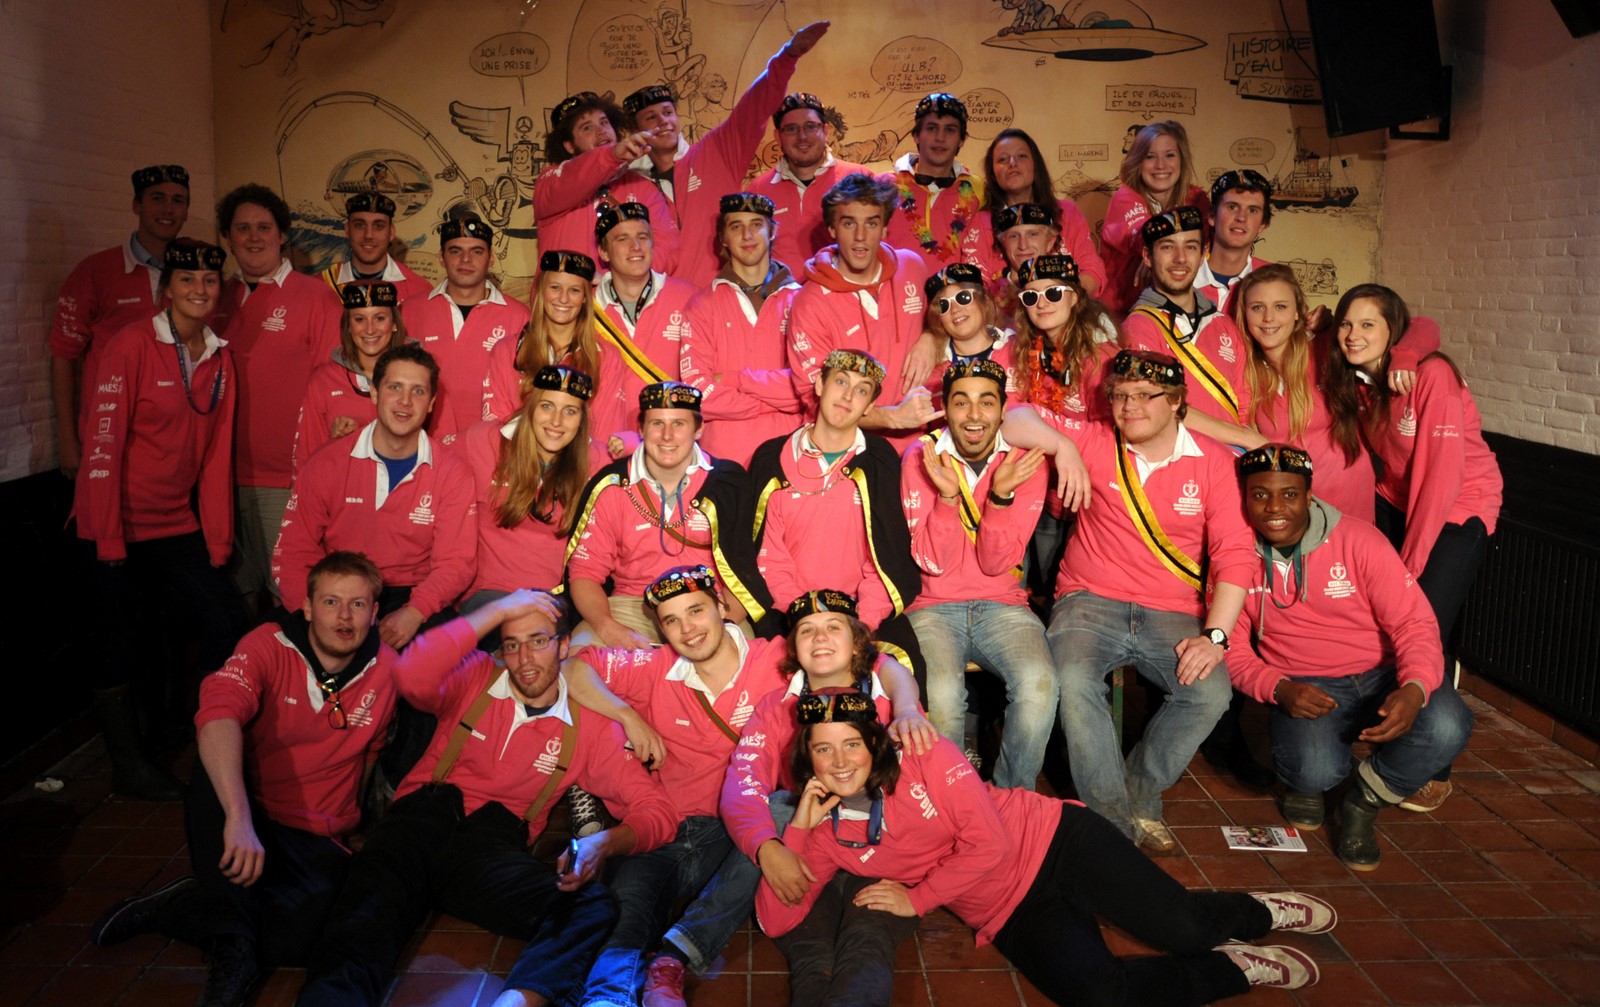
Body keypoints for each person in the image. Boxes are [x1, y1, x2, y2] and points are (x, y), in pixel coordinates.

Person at [756, 692, 1335, 1004]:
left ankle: (1257, 912)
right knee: (1100, 998)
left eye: (851, 744)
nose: (840, 762)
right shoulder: (826, 836)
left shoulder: (924, 753)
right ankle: (1233, 968)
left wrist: (918, 899)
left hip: (1057, 842)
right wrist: (797, 833)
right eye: (823, 750)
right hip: (1008, 910)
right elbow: (777, 919)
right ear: (807, 759)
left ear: (874, 744)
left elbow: (989, 843)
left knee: (1183, 927)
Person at [293, 591, 680, 1007]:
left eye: (538, 641)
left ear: (564, 646)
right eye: (512, 644)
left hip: (488, 851)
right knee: (356, 925)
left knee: (591, 906)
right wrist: (499, 608)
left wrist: (603, 843)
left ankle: (515, 1002)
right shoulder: (477, 675)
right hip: (418, 824)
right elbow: (411, 674)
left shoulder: (591, 725)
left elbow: (657, 812)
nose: (524, 659)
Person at [89, 552, 398, 1007]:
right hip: (250, 812)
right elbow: (217, 712)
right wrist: (238, 817)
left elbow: (369, 751)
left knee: (298, 942)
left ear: (374, 613)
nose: (344, 617)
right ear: (307, 607)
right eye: (331, 602)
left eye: (357, 604)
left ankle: (185, 904)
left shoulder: (387, 667)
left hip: (315, 828)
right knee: (212, 768)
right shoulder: (268, 644)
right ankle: (233, 956)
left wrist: (353, 820)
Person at [1003, 350, 1254, 849]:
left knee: (1210, 694)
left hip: (1173, 609)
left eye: (1144, 395)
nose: (1128, 406)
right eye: (1119, 395)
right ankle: (1112, 822)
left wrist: (1215, 637)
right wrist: (1063, 447)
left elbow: (1236, 556)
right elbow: (1014, 416)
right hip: (1089, 599)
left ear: (1176, 402)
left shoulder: (1215, 462)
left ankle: (1139, 789)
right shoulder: (1097, 439)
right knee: (1073, 679)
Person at [561, 566, 802, 1007]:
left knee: (782, 810)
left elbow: (867, 657)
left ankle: (673, 959)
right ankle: (607, 998)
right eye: (671, 620)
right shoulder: (656, 666)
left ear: (721, 606)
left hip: (740, 830)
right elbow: (576, 667)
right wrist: (627, 716)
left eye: (696, 611)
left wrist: (906, 707)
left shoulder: (775, 658)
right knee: (626, 911)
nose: (687, 629)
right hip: (671, 827)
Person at [1228, 445, 1473, 869]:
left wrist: (1414, 687)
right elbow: (1228, 646)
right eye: (1260, 494)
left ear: (1309, 496)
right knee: (1314, 771)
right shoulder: (1233, 554)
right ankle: (1308, 782)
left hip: (1383, 674)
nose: (1274, 508)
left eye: (1289, 494)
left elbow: (1414, 623)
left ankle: (1364, 800)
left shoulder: (1360, 540)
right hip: (1306, 684)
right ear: (1245, 498)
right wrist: (1278, 688)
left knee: (1448, 724)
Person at [73, 238, 247, 799]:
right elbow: (102, 445)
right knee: (120, 643)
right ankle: (129, 765)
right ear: (166, 288)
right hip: (114, 524)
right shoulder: (131, 344)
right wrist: (108, 539)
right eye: (187, 280)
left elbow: (216, 457)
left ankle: (199, 730)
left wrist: (217, 539)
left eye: (210, 281)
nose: (200, 289)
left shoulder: (220, 356)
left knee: (225, 621)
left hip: (176, 522)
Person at [1325, 284, 1502, 813]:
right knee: (1386, 618)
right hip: (1396, 500)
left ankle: (1434, 766)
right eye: (1346, 324)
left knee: (1423, 621)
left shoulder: (1432, 376)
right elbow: (1423, 324)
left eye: (1368, 325)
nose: (1353, 335)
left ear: (1392, 333)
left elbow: (1438, 483)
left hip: (1457, 510)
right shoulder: (1364, 381)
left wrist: (1410, 564)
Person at [719, 590, 935, 922]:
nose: (820, 637)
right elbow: (742, 782)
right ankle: (690, 941)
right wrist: (765, 847)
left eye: (833, 627)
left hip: (884, 832)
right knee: (776, 808)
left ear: (857, 643)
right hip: (813, 830)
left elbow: (891, 670)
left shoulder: (890, 697)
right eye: (807, 630)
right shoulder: (776, 706)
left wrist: (906, 708)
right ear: (794, 648)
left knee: (864, 936)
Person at [901, 359, 1055, 788]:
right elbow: (933, 562)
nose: (974, 415)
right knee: (943, 697)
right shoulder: (921, 456)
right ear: (945, 408)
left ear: (1003, 409)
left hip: (1003, 605)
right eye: (961, 402)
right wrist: (948, 500)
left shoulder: (1025, 462)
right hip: (932, 607)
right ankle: (952, 803)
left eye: (986, 402)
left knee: (1040, 684)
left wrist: (1001, 497)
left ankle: (1011, 798)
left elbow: (995, 564)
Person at [273, 342, 475, 650]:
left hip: (411, 593)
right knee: (269, 645)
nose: (405, 401)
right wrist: (319, 614)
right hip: (339, 589)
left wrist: (415, 612)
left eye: (418, 391)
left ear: (431, 403)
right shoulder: (328, 463)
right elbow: (292, 553)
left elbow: (456, 563)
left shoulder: (452, 472)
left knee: (450, 656)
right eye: (395, 387)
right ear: (375, 393)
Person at [750, 349, 923, 674]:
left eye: (861, 390)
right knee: (772, 678)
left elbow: (885, 559)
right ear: (819, 384)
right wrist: (808, 619)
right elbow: (770, 562)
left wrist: (861, 623)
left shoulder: (879, 461)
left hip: (862, 613)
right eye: (841, 382)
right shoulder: (771, 458)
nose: (847, 396)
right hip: (790, 613)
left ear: (870, 406)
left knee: (907, 672)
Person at [211, 183, 344, 604]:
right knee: (236, 595)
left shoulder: (316, 298)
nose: (253, 237)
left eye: (264, 227)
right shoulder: (213, 297)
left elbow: (333, 388)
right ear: (227, 237)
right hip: (219, 477)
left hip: (285, 479)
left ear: (282, 234)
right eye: (242, 228)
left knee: (290, 596)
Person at [622, 21, 829, 285]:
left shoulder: (715, 152)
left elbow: (754, 108)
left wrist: (787, 57)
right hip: (665, 301)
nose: (663, 121)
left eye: (668, 112)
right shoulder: (633, 186)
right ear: (635, 129)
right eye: (651, 117)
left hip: (724, 295)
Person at [566, 382, 767, 648]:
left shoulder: (729, 483)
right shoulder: (611, 484)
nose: (667, 436)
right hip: (633, 607)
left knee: (743, 655)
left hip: (707, 605)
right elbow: (584, 572)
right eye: (657, 423)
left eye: (679, 424)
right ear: (640, 429)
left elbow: (746, 571)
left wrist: (721, 623)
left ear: (699, 429)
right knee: (581, 655)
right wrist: (608, 627)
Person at [51, 163, 190, 479]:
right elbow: (62, 355)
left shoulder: (197, 275)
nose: (168, 209)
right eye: (157, 198)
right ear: (136, 205)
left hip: (176, 444)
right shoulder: (95, 271)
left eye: (178, 200)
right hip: (109, 439)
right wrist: (66, 436)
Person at [786, 173, 938, 454]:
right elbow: (816, 399)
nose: (860, 236)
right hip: (849, 452)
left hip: (921, 447)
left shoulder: (912, 267)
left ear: (885, 228)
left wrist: (932, 335)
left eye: (871, 223)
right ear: (832, 229)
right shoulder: (809, 303)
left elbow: (948, 320)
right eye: (849, 223)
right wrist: (893, 417)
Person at [1008, 254, 1119, 604]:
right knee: (1037, 593)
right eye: (1031, 296)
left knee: (1068, 596)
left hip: (1087, 500)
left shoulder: (1101, 358)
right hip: (1038, 495)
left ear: (1075, 297)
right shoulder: (1023, 351)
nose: (1042, 304)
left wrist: (1064, 445)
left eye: (1053, 293)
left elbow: (1110, 439)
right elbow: (1007, 416)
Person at [1121, 206, 1263, 450]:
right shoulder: (1138, 326)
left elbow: (1243, 410)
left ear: (1203, 253)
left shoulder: (1224, 324)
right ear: (1148, 256)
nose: (1180, 258)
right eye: (1167, 247)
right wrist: (1246, 439)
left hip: (1232, 460)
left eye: (1190, 247)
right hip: (1177, 463)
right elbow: (1159, 406)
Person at [680, 192, 806, 466]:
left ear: (772, 231)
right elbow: (697, 393)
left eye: (756, 225)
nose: (747, 235)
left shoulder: (804, 301)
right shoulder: (701, 305)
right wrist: (772, 402)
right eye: (736, 226)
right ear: (723, 238)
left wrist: (735, 379)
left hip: (790, 458)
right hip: (722, 462)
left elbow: (807, 386)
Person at [460, 366, 593, 611]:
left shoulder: (594, 461)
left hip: (553, 602)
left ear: (581, 420)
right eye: (547, 406)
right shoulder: (483, 441)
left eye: (570, 411)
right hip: (487, 597)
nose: (556, 421)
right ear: (530, 406)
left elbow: (652, 463)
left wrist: (631, 443)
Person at [400, 213, 531, 434]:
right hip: (424, 444)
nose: (466, 259)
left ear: (490, 258)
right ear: (441, 257)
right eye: (455, 251)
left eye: (476, 251)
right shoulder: (410, 311)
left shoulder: (519, 317)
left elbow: (528, 392)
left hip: (492, 444)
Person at [588, 202, 700, 454]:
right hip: (600, 449)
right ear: (603, 252)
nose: (636, 247)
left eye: (643, 237)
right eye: (622, 239)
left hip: (669, 448)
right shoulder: (583, 307)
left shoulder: (690, 298)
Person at [532, 90, 679, 271]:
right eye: (587, 127)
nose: (601, 131)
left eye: (604, 122)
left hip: (627, 289)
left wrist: (616, 283)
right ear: (569, 146)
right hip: (565, 290)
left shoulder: (642, 186)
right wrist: (612, 156)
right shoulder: (550, 182)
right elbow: (574, 178)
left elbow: (667, 250)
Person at [481, 250, 610, 439]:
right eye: (555, 287)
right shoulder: (506, 351)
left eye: (574, 290)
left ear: (585, 297)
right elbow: (495, 428)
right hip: (516, 456)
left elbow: (603, 434)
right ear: (541, 290)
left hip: (581, 458)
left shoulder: (606, 357)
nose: (563, 298)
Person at [967, 128, 1106, 295]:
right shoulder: (982, 222)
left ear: (1035, 165)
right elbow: (974, 288)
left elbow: (1092, 270)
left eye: (1021, 156)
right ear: (993, 173)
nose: (1012, 163)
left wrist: (1058, 300)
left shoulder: (1066, 212)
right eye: (1003, 159)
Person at [747, 92, 870, 275]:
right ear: (778, 136)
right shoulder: (757, 190)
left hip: (846, 291)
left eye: (810, 126)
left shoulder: (860, 178)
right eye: (791, 129)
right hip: (780, 293)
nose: (802, 136)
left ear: (825, 131)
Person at [1100, 120, 1210, 317]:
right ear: (1137, 161)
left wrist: (1158, 254)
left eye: (1169, 155)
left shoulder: (1197, 198)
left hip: (1178, 310)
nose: (1160, 165)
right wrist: (1155, 251)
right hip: (1120, 315)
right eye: (1150, 156)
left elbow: (1205, 247)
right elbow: (1140, 235)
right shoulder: (1125, 197)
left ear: (1182, 159)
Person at [294, 281, 406, 472]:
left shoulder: (418, 374)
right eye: (359, 319)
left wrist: (359, 433)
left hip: (407, 486)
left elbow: (433, 444)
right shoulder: (324, 380)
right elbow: (307, 459)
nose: (370, 329)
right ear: (347, 326)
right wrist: (337, 442)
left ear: (394, 324)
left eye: (379, 318)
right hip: (341, 487)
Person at [883, 92, 984, 274]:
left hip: (956, 291)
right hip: (896, 290)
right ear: (916, 135)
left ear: (962, 140)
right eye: (931, 128)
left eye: (950, 130)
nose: (940, 138)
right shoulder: (882, 185)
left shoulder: (978, 189)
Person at [921, 262, 1017, 405]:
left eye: (963, 298)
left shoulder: (1018, 349)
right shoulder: (929, 369)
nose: (955, 310)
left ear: (983, 300)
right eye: (944, 305)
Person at [316, 191, 430, 303]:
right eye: (359, 225)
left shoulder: (419, 290)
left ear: (391, 232)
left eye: (378, 226)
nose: (368, 235)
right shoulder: (320, 286)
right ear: (347, 230)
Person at [1195, 170, 1272, 312]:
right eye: (1232, 207)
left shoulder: (1275, 279)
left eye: (1252, 210)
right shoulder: (1181, 274)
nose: (1241, 217)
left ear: (1263, 224)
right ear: (1212, 216)